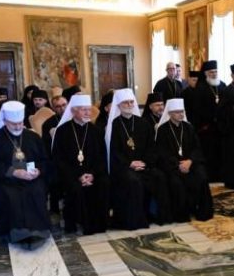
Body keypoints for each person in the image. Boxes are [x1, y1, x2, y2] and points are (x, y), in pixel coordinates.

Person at [0, 101, 51, 248]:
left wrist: (38, 170)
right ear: (5, 121)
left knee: (37, 189)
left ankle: (38, 230)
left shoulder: (33, 137)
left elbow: (44, 160)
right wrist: (13, 172)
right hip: (5, 180)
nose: (18, 127)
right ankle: (13, 233)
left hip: (31, 178)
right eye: (14, 124)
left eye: (20, 123)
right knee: (9, 194)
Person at [106, 88, 171, 228]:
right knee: (133, 181)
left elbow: (151, 147)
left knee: (159, 176)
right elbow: (114, 151)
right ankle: (136, 220)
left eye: (131, 102)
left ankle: (156, 215)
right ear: (118, 106)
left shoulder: (143, 123)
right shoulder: (114, 125)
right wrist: (130, 163)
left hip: (143, 164)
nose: (129, 105)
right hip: (124, 167)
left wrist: (144, 162)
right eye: (125, 103)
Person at [52, 94, 109, 235]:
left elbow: (102, 158)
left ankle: (99, 224)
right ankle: (80, 223)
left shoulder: (96, 131)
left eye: (89, 109)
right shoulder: (62, 131)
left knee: (103, 183)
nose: (88, 113)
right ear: (73, 111)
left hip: (93, 173)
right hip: (70, 175)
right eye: (84, 110)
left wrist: (92, 175)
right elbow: (59, 160)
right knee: (75, 187)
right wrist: (78, 176)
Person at [155, 98, 213, 221]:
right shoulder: (162, 130)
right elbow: (162, 153)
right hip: (172, 166)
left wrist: (190, 161)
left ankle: (202, 211)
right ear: (170, 113)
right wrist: (178, 164)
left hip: (190, 163)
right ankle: (182, 214)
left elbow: (197, 148)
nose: (181, 114)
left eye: (182, 111)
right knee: (176, 182)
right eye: (177, 112)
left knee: (202, 177)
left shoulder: (189, 128)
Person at [192, 60, 226, 181]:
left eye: (216, 71)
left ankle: (220, 176)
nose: (214, 74)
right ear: (206, 73)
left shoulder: (222, 86)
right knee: (209, 153)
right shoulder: (200, 88)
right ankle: (209, 176)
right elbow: (197, 109)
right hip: (206, 128)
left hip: (221, 128)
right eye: (211, 72)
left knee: (220, 153)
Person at [42, 94, 68, 213]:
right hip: (57, 159)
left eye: (64, 105)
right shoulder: (48, 124)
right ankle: (55, 210)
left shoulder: (75, 118)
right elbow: (46, 148)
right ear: (53, 108)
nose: (62, 108)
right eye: (58, 106)